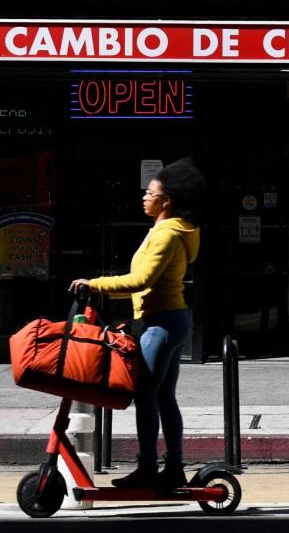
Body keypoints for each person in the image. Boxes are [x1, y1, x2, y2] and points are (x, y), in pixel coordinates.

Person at [69, 158, 205, 491]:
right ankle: (173, 468)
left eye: (151, 192)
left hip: (161, 323)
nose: (145, 197)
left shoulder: (167, 235)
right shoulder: (169, 231)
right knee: (164, 398)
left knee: (146, 395)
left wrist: (95, 284)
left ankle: (149, 468)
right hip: (168, 318)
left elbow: (142, 279)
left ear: (166, 200)